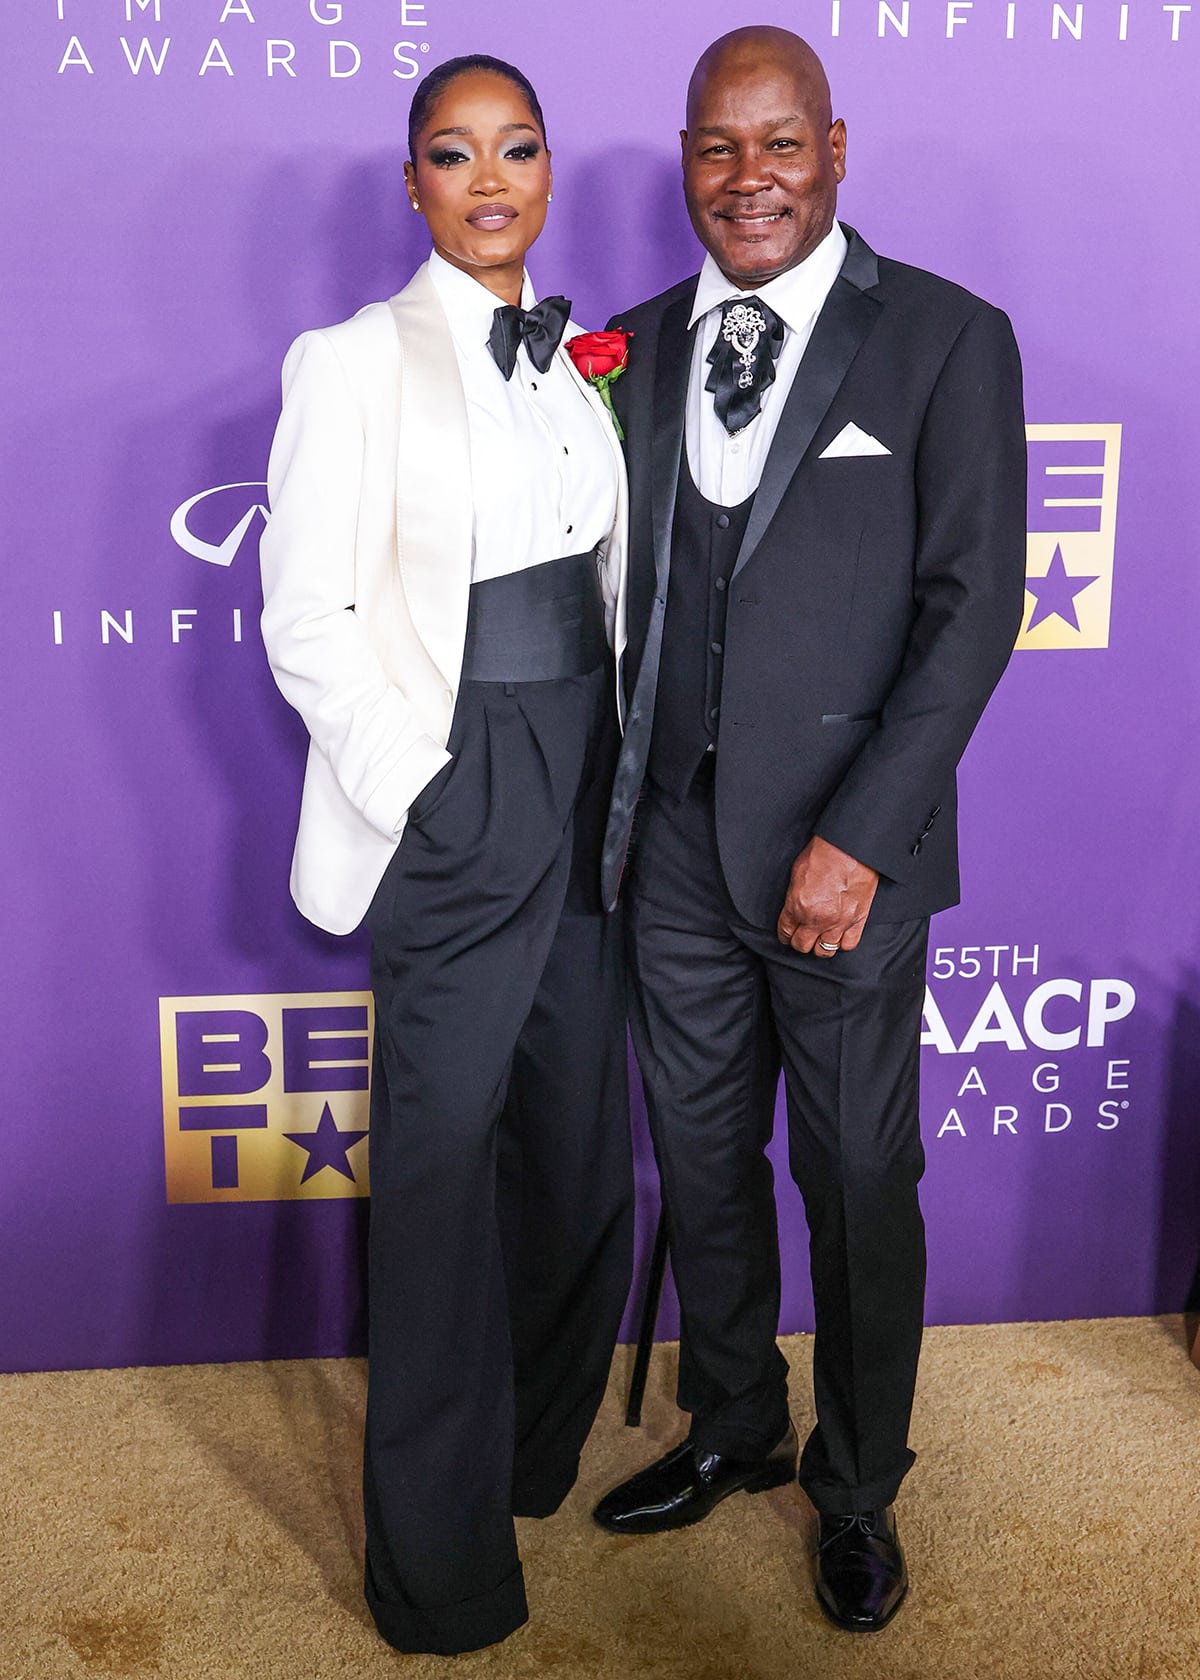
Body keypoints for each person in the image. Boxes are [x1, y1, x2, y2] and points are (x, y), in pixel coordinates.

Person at [593, 26, 1026, 1634]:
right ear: (687, 162)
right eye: (719, 147)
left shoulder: (943, 338)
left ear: (835, 149)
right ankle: (732, 1424)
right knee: (702, 1165)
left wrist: (860, 836)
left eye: (781, 144)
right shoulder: (626, 351)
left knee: (852, 1176)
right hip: (674, 859)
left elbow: (972, 613)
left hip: (846, 857)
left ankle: (854, 1490)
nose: (750, 177)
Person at [258, 56, 633, 1657]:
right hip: (462, 787)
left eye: (519, 148)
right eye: (453, 154)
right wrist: (434, 782)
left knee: (577, 1158)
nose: (491, 180)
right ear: (410, 183)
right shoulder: (351, 364)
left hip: (594, 783)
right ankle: (439, 1569)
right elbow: (306, 622)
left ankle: (530, 1457)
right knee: (432, 1187)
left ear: (550, 173)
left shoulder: (579, 359)